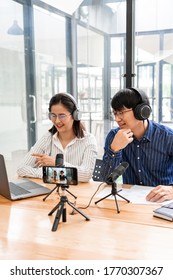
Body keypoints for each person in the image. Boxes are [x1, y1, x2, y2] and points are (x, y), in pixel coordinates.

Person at [101, 87, 173, 203]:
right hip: (130, 202)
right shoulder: (114, 136)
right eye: (115, 113)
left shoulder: (167, 137)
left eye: (121, 112)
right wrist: (114, 150)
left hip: (161, 202)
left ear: (141, 111)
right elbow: (106, 179)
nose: (117, 119)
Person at [17, 93, 97, 182]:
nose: (57, 121)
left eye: (62, 116)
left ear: (75, 115)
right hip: (54, 192)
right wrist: (49, 174)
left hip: (81, 192)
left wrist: (57, 164)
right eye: (53, 116)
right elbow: (21, 168)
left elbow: (86, 175)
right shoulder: (47, 138)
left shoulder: (88, 140)